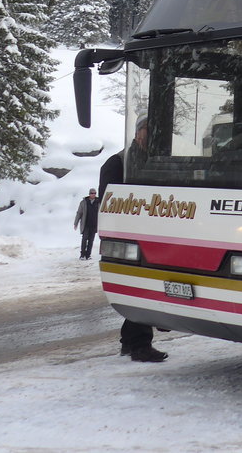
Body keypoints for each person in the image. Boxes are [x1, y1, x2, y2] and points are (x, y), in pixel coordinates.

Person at [99, 133, 169, 363]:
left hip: (151, 231)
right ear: (137, 133)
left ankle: (130, 342)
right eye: (146, 129)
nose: (149, 135)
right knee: (142, 289)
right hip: (129, 235)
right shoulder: (119, 162)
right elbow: (109, 201)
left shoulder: (155, 158)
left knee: (142, 289)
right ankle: (139, 345)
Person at [73, 188, 99, 259]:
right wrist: (76, 223)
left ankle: (88, 255)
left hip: (94, 225)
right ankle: (82, 255)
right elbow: (79, 213)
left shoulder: (98, 202)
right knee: (84, 239)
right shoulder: (84, 202)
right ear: (89, 194)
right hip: (86, 224)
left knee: (91, 240)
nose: (93, 194)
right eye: (92, 193)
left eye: (94, 193)